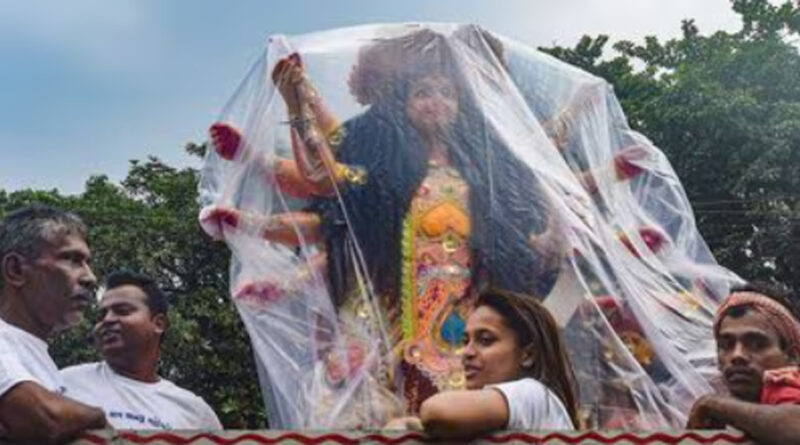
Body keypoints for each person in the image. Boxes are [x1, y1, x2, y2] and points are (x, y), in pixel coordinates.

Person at [205, 28, 565, 418]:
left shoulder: (485, 181)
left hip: (458, 324)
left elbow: (528, 222)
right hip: (384, 316)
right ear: (402, 105)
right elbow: (321, 175)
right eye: (423, 92)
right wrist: (297, 107)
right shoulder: (382, 178)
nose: (436, 103)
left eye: (447, 93)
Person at [386, 290, 578, 437]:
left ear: (528, 355)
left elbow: (436, 410)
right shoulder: (506, 413)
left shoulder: (533, 393)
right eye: (465, 342)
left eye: (486, 340)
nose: (467, 353)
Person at [60, 270, 222, 430]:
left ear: (159, 324)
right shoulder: (63, 384)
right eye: (101, 315)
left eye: (123, 311)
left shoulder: (195, 413)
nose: (107, 320)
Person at [0, 204, 107, 443]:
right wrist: (99, 418)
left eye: (87, 262)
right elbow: (47, 419)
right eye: (71, 259)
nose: (90, 277)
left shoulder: (35, 356)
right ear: (16, 269)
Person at [687, 282, 800, 443]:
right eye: (726, 346)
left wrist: (715, 405)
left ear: (792, 356)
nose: (737, 355)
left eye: (757, 344)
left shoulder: (789, 384)